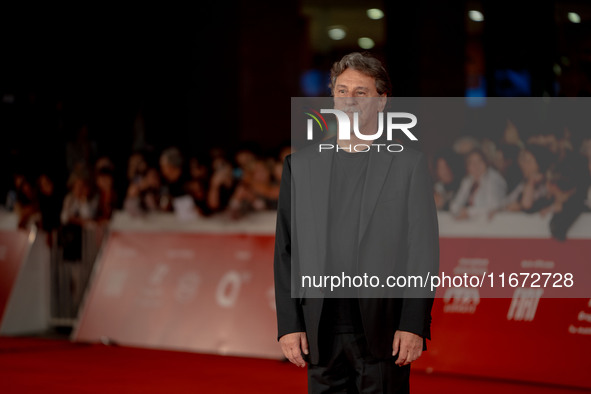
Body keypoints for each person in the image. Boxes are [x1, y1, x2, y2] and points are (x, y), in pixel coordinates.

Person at [274, 52, 439, 393]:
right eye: (342, 90)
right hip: (319, 330)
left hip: (383, 331)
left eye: (360, 92)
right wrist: (289, 324)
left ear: (381, 102)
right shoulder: (300, 167)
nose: (348, 99)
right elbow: (285, 251)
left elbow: (421, 251)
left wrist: (413, 324)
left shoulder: (407, 165)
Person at [449, 148, 507, 220]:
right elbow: (455, 204)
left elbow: (493, 207)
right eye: (471, 162)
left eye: (479, 161)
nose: (476, 166)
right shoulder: (468, 180)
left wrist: (469, 212)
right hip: (474, 223)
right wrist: (460, 211)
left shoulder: (493, 178)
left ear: (485, 162)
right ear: (467, 166)